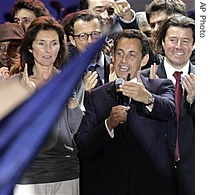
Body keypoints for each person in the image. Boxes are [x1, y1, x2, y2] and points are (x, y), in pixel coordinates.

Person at [75, 29, 177, 195]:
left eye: (131, 55)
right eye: (120, 53)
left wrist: (147, 98)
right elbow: (84, 145)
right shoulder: (97, 95)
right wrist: (108, 124)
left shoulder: (160, 86)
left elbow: (170, 111)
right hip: (112, 186)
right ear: (112, 56)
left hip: (152, 187)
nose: (124, 60)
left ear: (143, 59)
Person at [12, 15, 84, 195]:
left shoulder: (72, 81)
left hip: (65, 171)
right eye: (41, 43)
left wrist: (70, 97)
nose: (48, 50)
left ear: (61, 47)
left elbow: (75, 130)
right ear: (30, 47)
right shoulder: (15, 83)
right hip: (27, 175)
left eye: (54, 43)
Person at [141, 14, 195, 195]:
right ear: (163, 43)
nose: (179, 46)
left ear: (194, 45)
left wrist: (195, 104)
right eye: (173, 40)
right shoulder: (144, 78)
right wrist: (151, 98)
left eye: (185, 40)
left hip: (195, 177)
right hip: (153, 175)